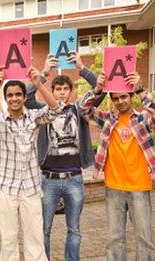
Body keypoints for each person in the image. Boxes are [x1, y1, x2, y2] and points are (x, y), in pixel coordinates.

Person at [0, 67, 63, 261]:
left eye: (18, 95)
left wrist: (39, 83)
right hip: (7, 189)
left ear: (24, 97)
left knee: (35, 239)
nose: (14, 98)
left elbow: (56, 109)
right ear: (6, 99)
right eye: (10, 95)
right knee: (8, 240)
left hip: (31, 188)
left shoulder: (34, 116)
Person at [24, 52, 104, 260]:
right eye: (57, 89)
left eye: (65, 89)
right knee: (44, 229)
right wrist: (44, 72)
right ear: (52, 91)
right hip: (48, 179)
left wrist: (81, 66)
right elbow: (27, 96)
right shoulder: (43, 109)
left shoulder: (78, 108)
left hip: (74, 179)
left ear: (70, 91)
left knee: (74, 230)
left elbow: (100, 90)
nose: (61, 93)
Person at [80, 69, 155, 260]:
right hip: (113, 187)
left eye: (124, 97)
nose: (120, 101)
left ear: (130, 96)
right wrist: (97, 90)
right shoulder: (108, 120)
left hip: (139, 187)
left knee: (145, 238)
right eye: (116, 98)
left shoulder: (143, 119)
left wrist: (142, 90)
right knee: (114, 238)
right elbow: (84, 110)